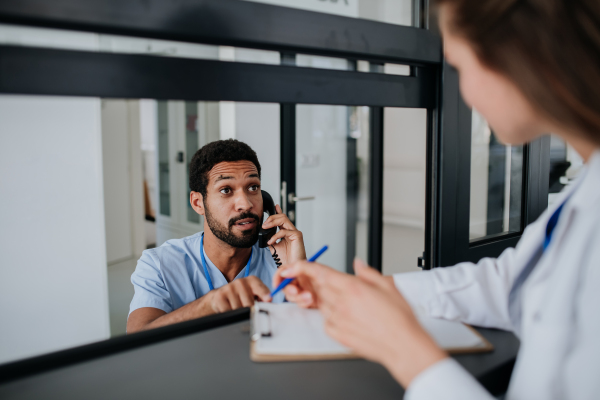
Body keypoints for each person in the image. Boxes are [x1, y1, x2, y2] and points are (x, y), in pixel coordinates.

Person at [274, 0, 600, 398]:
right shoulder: (585, 194)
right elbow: (504, 284)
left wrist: (407, 350)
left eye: (461, 66)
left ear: (520, 57)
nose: (463, 91)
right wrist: (362, 294)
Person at [127, 139, 306, 333]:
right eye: (226, 190)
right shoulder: (158, 264)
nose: (245, 204)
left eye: (253, 187)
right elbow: (137, 336)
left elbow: (312, 336)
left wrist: (300, 273)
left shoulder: (281, 257)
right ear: (198, 203)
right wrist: (208, 305)